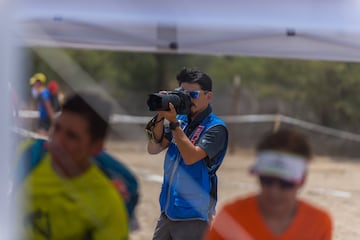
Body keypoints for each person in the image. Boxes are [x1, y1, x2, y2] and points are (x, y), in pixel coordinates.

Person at [15, 91, 129, 240]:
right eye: (57, 128)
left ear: (96, 146)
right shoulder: (28, 154)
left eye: (71, 136)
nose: (57, 141)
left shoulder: (107, 205)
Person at [204, 128, 333, 240]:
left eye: (285, 183)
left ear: (302, 180)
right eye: (266, 180)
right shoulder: (232, 217)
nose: (274, 191)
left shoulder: (319, 223)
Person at [146, 68, 229, 240]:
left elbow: (191, 157)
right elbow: (153, 147)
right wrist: (160, 116)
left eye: (194, 94)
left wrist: (174, 123)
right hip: (168, 210)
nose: (187, 98)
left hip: (194, 215)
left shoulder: (215, 128)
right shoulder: (181, 120)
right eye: (182, 93)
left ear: (209, 96)